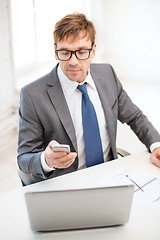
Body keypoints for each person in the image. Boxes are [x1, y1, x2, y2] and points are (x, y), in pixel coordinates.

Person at [17, 12, 160, 185]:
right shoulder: (32, 95)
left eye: (82, 51)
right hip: (66, 183)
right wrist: (46, 161)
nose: (73, 61)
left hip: (111, 175)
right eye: (65, 52)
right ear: (55, 53)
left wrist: (156, 145)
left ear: (93, 51)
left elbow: (135, 117)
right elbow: (24, 157)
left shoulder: (107, 74)